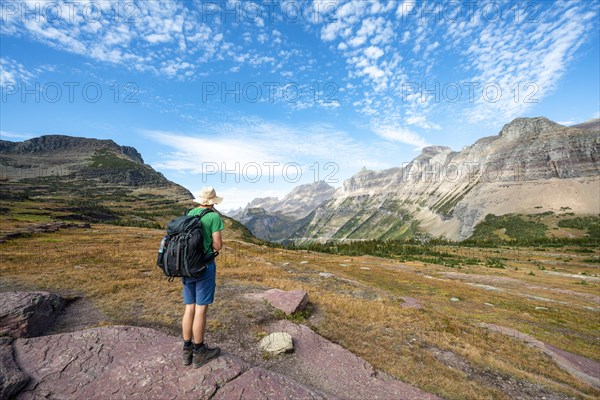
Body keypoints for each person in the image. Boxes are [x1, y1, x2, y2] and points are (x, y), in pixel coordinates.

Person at [181, 186, 224, 368]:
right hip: (204, 267)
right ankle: (199, 351)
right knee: (201, 310)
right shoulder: (213, 217)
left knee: (189, 307)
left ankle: (186, 349)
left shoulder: (190, 213)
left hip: (186, 266)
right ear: (213, 202)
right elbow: (218, 246)